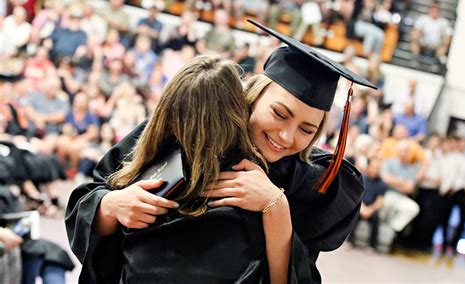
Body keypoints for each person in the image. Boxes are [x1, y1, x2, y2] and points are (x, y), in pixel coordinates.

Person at [66, 21, 377, 282]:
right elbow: (93, 195)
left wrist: (275, 205)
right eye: (280, 114)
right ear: (253, 96)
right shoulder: (188, 125)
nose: (286, 136)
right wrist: (111, 206)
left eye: (307, 130)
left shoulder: (305, 182)